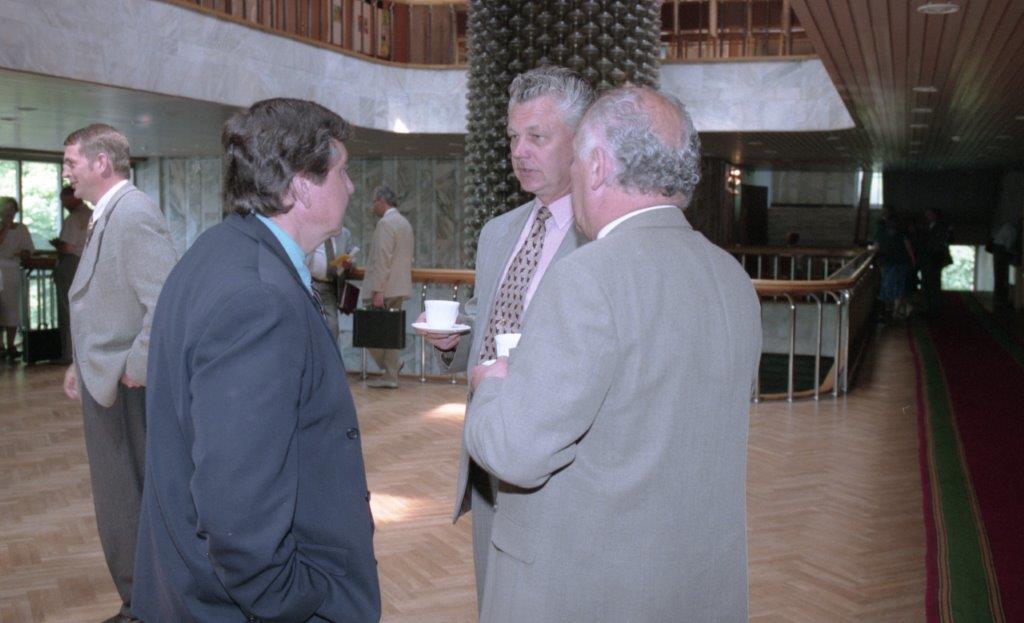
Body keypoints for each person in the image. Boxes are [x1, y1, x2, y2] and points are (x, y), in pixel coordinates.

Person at [465, 86, 762, 622]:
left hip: (585, 590)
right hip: (694, 587)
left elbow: (515, 451)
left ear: (598, 166)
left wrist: (492, 387)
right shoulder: (732, 278)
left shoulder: (587, 277)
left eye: (577, 160)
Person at [132, 98, 381, 622]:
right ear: (300, 186)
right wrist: (298, 600)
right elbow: (236, 507)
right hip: (237, 606)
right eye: (342, 171)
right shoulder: (259, 297)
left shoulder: (217, 250)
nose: (352, 186)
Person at [415, 65, 593, 603]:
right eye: (514, 137)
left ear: (580, 141)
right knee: (494, 599)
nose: (520, 152)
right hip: (488, 453)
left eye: (537, 137)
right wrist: (456, 341)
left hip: (559, 466)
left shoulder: (602, 241)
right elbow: (487, 318)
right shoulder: (498, 232)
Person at [60, 123, 178, 623]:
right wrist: (80, 361)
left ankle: (144, 606)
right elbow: (108, 302)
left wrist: (134, 367)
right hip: (109, 378)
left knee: (126, 499)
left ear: (101, 162)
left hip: (125, 388)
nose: (66, 174)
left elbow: (166, 302)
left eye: (71, 163)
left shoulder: (131, 214)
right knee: (121, 497)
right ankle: (142, 602)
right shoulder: (110, 213)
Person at [362, 184, 413, 388]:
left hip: (386, 288)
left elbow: (382, 258)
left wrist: (378, 290)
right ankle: (392, 372)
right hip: (399, 287)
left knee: (369, 331)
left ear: (382, 201)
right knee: (391, 333)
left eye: (374, 202)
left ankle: (392, 371)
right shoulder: (404, 223)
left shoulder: (386, 223)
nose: (373, 206)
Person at [51, 186, 92, 362]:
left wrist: (57, 244)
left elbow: (68, 247)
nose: (63, 205)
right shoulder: (93, 214)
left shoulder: (73, 218)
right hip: (89, 265)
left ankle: (69, 353)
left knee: (68, 309)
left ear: (72, 198)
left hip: (72, 264)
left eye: (64, 201)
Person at [305, 225, 356, 341]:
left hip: (330, 286)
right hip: (311, 284)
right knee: (311, 322)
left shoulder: (344, 233)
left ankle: (329, 351)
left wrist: (350, 263)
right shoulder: (312, 230)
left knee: (333, 326)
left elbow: (352, 255)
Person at [0, 196, 34, 360]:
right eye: (5, 209)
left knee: (11, 306)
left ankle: (11, 344)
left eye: (11, 210)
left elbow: (29, 249)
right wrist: (5, 228)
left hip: (12, 269)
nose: (8, 213)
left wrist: (24, 253)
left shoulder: (21, 229)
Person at [874, 208, 915, 321]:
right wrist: (913, 261)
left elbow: (876, 248)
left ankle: (890, 312)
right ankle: (894, 313)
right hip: (899, 263)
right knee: (898, 287)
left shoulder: (881, 233)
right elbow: (909, 248)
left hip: (889, 263)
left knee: (888, 286)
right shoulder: (901, 232)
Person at [919, 207, 952, 317]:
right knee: (926, 283)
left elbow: (940, 243)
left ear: (935, 216)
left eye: (929, 214)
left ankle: (934, 308)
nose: (927, 217)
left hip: (934, 258)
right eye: (926, 215)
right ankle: (927, 307)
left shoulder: (941, 228)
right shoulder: (926, 227)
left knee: (933, 283)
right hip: (926, 258)